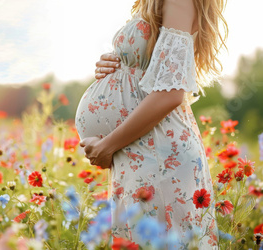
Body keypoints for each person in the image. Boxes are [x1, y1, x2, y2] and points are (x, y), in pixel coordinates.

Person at [75, 0, 228, 248]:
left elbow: (172, 92)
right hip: (140, 147)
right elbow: (148, 68)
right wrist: (117, 63)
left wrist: (107, 146)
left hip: (156, 150)